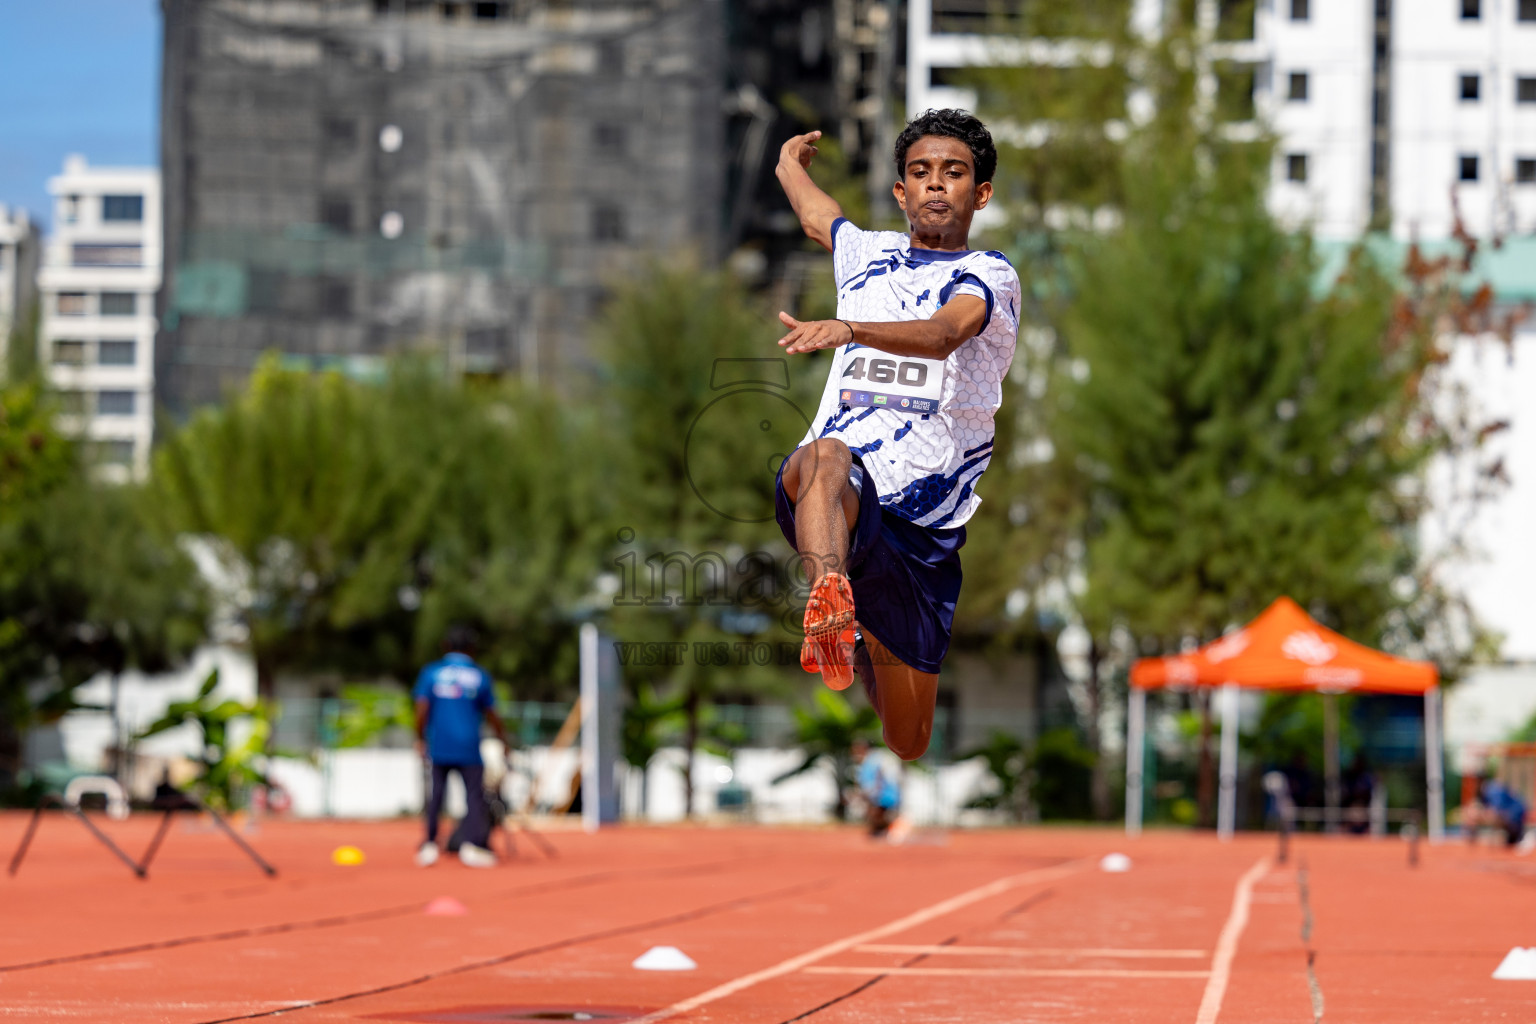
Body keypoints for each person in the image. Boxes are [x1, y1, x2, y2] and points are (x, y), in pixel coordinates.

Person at [773, 109, 1020, 760]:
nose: (936, 184)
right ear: (900, 192)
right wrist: (785, 165)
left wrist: (850, 330)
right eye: (921, 172)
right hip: (847, 495)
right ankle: (828, 600)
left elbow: (942, 336)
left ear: (981, 193)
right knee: (822, 458)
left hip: (924, 530)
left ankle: (869, 638)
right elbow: (814, 215)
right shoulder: (868, 257)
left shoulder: (990, 277)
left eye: (954, 172)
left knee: (906, 733)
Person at [413, 626, 508, 868]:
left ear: (445, 645)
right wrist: (504, 741)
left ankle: (430, 845)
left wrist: (420, 737)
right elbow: (493, 714)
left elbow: (422, 709)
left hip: (440, 744)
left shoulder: (432, 673)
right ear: (472, 649)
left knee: (436, 795)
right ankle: (473, 846)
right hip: (469, 746)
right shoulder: (479, 675)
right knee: (474, 797)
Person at [852, 738, 901, 838]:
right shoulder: (870, 761)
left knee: (874, 813)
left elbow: (880, 777)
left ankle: (890, 828)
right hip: (881, 793)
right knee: (873, 813)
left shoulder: (873, 761)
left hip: (884, 794)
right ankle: (884, 830)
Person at [1468, 769, 1529, 848]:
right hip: (1513, 815)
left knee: (1478, 814)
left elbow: (1495, 810)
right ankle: (1512, 836)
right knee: (1474, 811)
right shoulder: (1485, 790)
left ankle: (1496, 839)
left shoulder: (1492, 789)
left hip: (1515, 816)